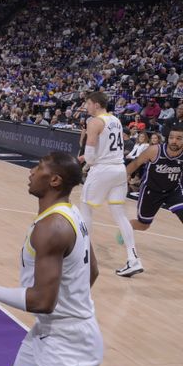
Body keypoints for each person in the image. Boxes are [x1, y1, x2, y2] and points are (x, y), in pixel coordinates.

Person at [0, 152, 102, 366]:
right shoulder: (70, 213)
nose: (31, 172)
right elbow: (93, 270)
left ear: (54, 180)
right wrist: (70, 303)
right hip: (49, 329)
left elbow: (42, 302)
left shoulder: (53, 227)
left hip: (68, 344)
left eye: (39, 167)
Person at [77, 91, 141, 277]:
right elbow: (106, 146)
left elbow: (91, 155)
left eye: (88, 103)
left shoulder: (94, 122)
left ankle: (82, 255)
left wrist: (86, 161)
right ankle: (133, 258)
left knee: (86, 208)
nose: (86, 107)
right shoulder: (115, 120)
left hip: (103, 170)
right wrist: (89, 158)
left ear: (96, 104)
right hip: (119, 170)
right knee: (119, 214)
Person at [122, 123, 183, 266]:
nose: (174, 141)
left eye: (179, 138)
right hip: (151, 191)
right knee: (143, 225)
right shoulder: (154, 150)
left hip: (173, 191)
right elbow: (136, 164)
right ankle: (126, 228)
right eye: (172, 137)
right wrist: (122, 179)